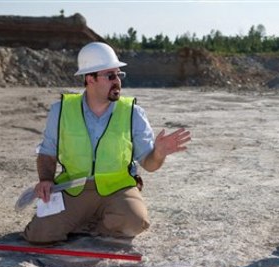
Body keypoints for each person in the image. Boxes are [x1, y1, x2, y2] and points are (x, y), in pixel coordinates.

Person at [23, 42, 191, 244]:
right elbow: (47, 153)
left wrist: (159, 153)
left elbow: (149, 163)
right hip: (74, 187)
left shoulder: (133, 113)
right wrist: (46, 180)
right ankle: (86, 220)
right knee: (39, 235)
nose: (118, 82)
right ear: (90, 79)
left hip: (117, 189)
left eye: (119, 75)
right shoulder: (61, 110)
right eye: (110, 76)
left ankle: (94, 224)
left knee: (135, 222)